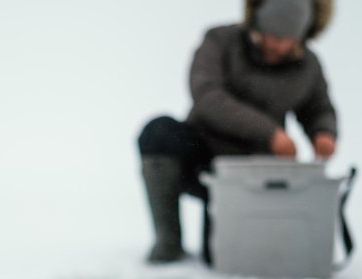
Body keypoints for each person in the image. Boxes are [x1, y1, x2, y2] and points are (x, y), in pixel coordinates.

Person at [138, 0, 337, 263]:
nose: (278, 45)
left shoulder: (308, 66)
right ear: (258, 23)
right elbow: (207, 95)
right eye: (273, 36)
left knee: (224, 258)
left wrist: (324, 133)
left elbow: (318, 107)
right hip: (203, 156)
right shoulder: (220, 41)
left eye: (287, 39)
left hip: (253, 172)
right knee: (158, 132)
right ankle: (168, 242)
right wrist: (270, 133)